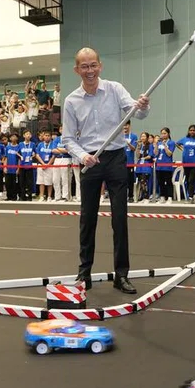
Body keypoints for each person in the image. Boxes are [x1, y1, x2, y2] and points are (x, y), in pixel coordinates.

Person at [61, 47, 150, 295]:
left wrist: (143, 106)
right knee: (87, 218)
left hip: (115, 158)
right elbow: (68, 139)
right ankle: (84, 274)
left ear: (100, 66)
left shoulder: (115, 89)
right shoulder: (71, 101)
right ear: (76, 70)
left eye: (93, 65)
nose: (90, 70)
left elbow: (137, 112)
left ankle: (121, 275)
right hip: (90, 160)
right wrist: (83, 156)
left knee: (120, 218)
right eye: (84, 66)